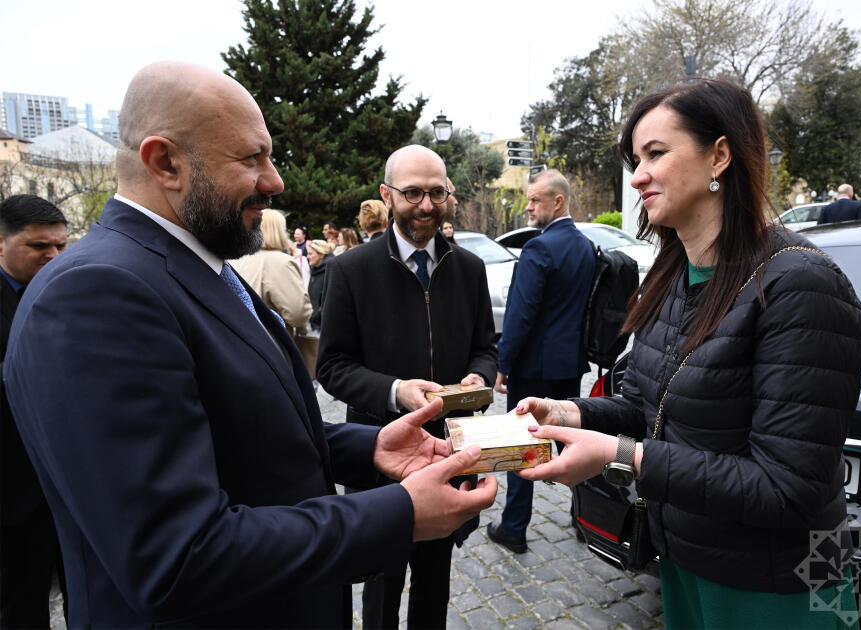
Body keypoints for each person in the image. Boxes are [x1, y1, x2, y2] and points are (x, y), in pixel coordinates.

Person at [2, 62, 497, 629]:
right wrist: (399, 514)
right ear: (165, 163)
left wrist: (370, 448)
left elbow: (243, 429)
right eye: (251, 158)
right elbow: (177, 557)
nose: (275, 181)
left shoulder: (192, 264)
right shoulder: (97, 293)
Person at [515, 78, 861, 629]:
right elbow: (647, 407)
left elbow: (788, 488)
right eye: (636, 159)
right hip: (685, 560)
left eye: (656, 153)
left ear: (719, 157)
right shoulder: (674, 276)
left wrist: (620, 455)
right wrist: (565, 413)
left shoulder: (801, 283)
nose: (638, 176)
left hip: (781, 586)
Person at [317, 144, 498, 630]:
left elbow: (486, 347)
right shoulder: (350, 269)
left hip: (448, 453)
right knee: (380, 586)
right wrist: (396, 390)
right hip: (381, 456)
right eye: (413, 192)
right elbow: (332, 366)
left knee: (435, 582)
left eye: (437, 193)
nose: (426, 205)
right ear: (387, 194)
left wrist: (480, 376)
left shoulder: (470, 268)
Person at [486, 169, 595, 554]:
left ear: (558, 201)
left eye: (535, 200)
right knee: (570, 442)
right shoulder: (585, 246)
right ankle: (586, 519)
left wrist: (503, 363)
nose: (528, 207)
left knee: (522, 444)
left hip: (532, 368)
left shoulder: (539, 248)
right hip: (569, 365)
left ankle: (514, 527)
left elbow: (521, 314)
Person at [0, 194, 68, 629]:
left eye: (61, 245)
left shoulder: (65, 289)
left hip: (63, 484)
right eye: (39, 246)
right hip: (12, 492)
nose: (54, 255)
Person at [231, 207, 313, 354]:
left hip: (236, 345)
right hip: (271, 348)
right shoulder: (281, 262)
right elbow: (298, 314)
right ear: (279, 231)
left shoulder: (234, 259)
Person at [307, 239, 334, 335]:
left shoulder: (330, 271)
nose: (307, 256)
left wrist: (314, 316)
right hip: (314, 323)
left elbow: (329, 301)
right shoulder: (315, 269)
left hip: (323, 327)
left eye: (310, 254)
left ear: (321, 255)